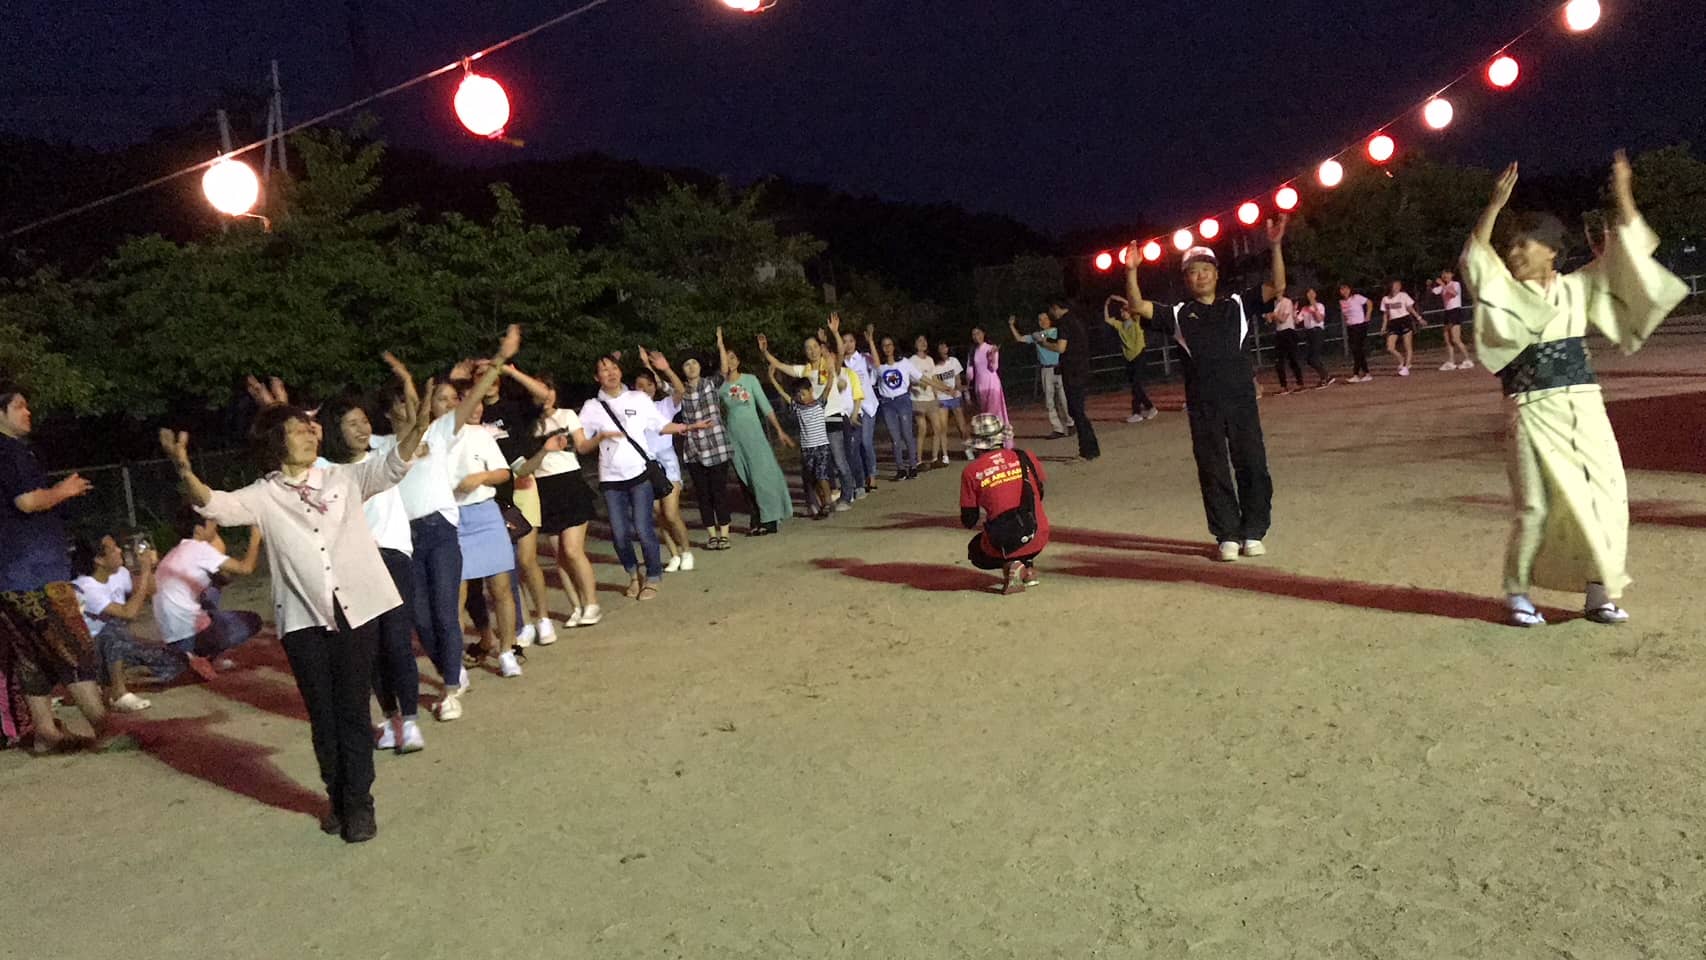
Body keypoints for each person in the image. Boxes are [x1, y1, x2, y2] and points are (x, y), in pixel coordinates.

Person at [159, 355, 436, 843]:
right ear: (276, 443)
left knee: (352, 711)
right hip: (303, 619)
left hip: (357, 610)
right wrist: (183, 467)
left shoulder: (342, 479)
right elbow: (215, 504)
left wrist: (419, 426)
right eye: (299, 430)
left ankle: (360, 805)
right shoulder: (264, 494)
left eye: (311, 429)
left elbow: (393, 465)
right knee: (322, 716)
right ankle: (336, 798)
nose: (311, 434)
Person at [1465, 153, 1687, 628]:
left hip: (1584, 408)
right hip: (1530, 409)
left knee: (1606, 498)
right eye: (1510, 246)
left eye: (1523, 244)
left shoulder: (1578, 287)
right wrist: (1494, 206)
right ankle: (1518, 593)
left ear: (1550, 250)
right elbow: (1476, 260)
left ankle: (1598, 594)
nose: (1513, 253)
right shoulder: (1506, 292)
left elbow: (1628, 254)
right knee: (1535, 505)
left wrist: (1623, 191)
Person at [1123, 217, 1288, 562]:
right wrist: (1131, 271)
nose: (1200, 276)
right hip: (1203, 405)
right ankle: (1227, 535)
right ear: (1186, 279)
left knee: (1253, 464)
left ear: (1216, 273)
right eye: (1193, 272)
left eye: (1205, 270)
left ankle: (1253, 531)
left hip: (1241, 401)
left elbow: (1277, 286)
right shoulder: (1179, 314)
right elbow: (1137, 306)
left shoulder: (1238, 304)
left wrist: (1274, 246)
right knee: (1213, 469)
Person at [393, 331, 518, 723]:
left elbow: (471, 398)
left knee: (451, 608)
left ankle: (455, 681)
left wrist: (500, 360)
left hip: (447, 528)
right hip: (406, 538)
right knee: (423, 618)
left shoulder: (441, 433)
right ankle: (452, 666)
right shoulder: (381, 446)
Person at [0, 385, 134, 752]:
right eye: (19, 406)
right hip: (33, 572)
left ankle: (46, 732)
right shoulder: (10, 451)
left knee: (33, 656)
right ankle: (103, 725)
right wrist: (64, 490)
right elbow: (27, 502)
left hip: (9, 574)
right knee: (72, 645)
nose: (28, 412)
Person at [318, 373, 427, 754]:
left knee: (397, 641)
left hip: (392, 556)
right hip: (352, 563)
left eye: (364, 420)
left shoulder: (384, 457)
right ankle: (391, 719)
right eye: (351, 423)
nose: (363, 428)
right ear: (335, 431)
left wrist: (411, 391)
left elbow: (409, 435)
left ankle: (410, 722)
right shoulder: (326, 471)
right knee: (371, 648)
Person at [578, 355, 711, 598]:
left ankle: (653, 576)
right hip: (611, 479)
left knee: (643, 528)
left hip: (640, 473)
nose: (611, 373)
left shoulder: (637, 399)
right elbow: (582, 446)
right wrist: (600, 437)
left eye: (614, 367)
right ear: (597, 377)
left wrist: (689, 427)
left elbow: (660, 425)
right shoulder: (591, 408)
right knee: (620, 535)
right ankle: (633, 575)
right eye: (604, 370)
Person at [500, 366, 604, 619]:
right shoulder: (528, 425)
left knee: (572, 549)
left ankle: (592, 603)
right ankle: (576, 606)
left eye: (549, 388)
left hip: (570, 483)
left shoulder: (567, 415)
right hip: (544, 488)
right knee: (560, 556)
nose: (545, 395)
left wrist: (600, 438)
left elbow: (582, 446)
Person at [153, 507, 264, 675]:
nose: (215, 526)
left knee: (212, 591)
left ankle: (187, 654)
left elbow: (222, 579)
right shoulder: (199, 549)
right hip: (192, 635)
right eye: (211, 522)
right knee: (252, 620)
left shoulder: (175, 552)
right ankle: (200, 655)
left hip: (172, 636)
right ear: (199, 529)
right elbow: (246, 568)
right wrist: (255, 538)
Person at [647, 352, 735, 552]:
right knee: (703, 495)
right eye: (687, 364)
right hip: (694, 449)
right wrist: (650, 365)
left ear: (700, 366)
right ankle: (712, 535)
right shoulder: (679, 390)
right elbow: (658, 383)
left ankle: (724, 534)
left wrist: (720, 344)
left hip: (717, 446)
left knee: (719, 492)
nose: (692, 367)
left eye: (694, 362)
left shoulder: (711, 383)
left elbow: (723, 370)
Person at [70, 535, 165, 712]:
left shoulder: (120, 573)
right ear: (99, 560)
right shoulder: (85, 586)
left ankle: (106, 682)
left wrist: (150, 567)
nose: (120, 551)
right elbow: (128, 613)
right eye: (113, 549)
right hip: (90, 647)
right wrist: (144, 572)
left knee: (173, 664)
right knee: (114, 627)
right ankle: (118, 693)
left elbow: (151, 590)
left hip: (118, 643)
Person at [714, 329, 795, 535]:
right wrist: (720, 345)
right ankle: (756, 519)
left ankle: (771, 519)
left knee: (763, 475)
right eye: (726, 358)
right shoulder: (720, 389)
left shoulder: (750, 380)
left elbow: (765, 406)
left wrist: (779, 430)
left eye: (733, 357)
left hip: (755, 436)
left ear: (738, 361)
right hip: (734, 438)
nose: (730, 362)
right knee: (745, 479)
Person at [959, 413, 1049, 595]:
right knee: (1023, 520)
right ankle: (1027, 568)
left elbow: (969, 519)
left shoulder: (971, 471)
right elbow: (1040, 493)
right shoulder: (1025, 456)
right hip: (1038, 534)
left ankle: (1012, 564)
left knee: (976, 550)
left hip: (1005, 541)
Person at [633, 362, 697, 572]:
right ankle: (674, 554)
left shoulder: (664, 406)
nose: (644, 389)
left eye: (648, 385)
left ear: (655, 386)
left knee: (670, 512)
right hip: (646, 465)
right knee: (659, 514)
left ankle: (686, 551)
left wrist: (664, 369)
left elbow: (681, 391)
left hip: (667, 462)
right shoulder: (630, 413)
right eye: (639, 386)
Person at [1034, 297, 1099, 461]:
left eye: (1051, 310)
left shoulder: (1064, 323)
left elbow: (1061, 347)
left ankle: (1087, 450)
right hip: (1082, 369)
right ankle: (1091, 448)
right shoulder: (1077, 320)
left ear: (1056, 307)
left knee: (1076, 411)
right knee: (1077, 410)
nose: (1051, 313)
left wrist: (1044, 343)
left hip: (1072, 372)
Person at [770, 369, 840, 518]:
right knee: (813, 478)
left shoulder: (819, 403)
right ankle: (822, 504)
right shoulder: (797, 407)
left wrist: (830, 372)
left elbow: (828, 387)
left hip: (821, 446)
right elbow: (783, 394)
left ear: (810, 390)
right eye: (798, 395)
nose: (801, 397)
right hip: (807, 448)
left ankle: (829, 501)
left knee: (821, 475)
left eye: (803, 393)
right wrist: (773, 379)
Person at [867, 326, 920, 481]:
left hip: (902, 400)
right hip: (887, 403)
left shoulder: (904, 362)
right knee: (894, 437)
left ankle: (913, 465)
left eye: (889, 345)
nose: (887, 348)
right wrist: (870, 341)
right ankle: (900, 468)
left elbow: (920, 377)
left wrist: (942, 387)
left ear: (894, 346)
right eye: (884, 346)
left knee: (907, 434)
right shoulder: (879, 366)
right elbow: (871, 379)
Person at [1009, 313, 1073, 438]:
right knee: (1049, 401)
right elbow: (1020, 339)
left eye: (1045, 319)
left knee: (1064, 399)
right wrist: (1012, 326)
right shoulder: (1036, 335)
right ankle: (1058, 428)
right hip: (1046, 369)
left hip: (1059, 367)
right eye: (1040, 319)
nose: (1042, 321)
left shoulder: (1057, 332)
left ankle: (1071, 423)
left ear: (1050, 320)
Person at [1104, 296, 1159, 423]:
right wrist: (1106, 305)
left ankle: (1137, 412)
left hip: (1139, 355)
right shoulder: (1120, 325)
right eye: (1121, 312)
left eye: (1124, 311)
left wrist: (1119, 299)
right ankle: (1150, 408)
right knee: (1135, 386)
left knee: (1136, 385)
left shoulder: (1136, 320)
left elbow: (1134, 306)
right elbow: (1107, 319)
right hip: (1129, 358)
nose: (1122, 313)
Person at [840, 331, 881, 493]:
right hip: (852, 409)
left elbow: (877, 364)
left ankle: (872, 474)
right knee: (855, 446)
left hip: (868, 406)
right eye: (844, 341)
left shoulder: (863, 358)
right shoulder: (841, 363)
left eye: (851, 341)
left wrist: (871, 341)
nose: (848, 344)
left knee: (866, 442)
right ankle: (861, 476)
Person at [933, 341, 972, 462]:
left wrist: (961, 391)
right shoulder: (934, 366)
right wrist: (937, 398)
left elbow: (958, 379)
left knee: (961, 425)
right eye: (941, 347)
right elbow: (934, 384)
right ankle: (945, 455)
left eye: (945, 347)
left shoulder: (953, 361)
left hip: (955, 396)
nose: (944, 349)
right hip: (942, 398)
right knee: (943, 427)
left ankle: (968, 449)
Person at [1379, 279, 1427, 377]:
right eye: (1395, 285)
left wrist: (1419, 318)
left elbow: (1410, 308)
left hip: (1404, 320)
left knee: (1407, 346)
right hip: (1393, 323)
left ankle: (1406, 367)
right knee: (1390, 347)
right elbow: (1385, 314)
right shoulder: (1385, 299)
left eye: (1398, 286)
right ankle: (1401, 360)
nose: (1397, 287)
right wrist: (1383, 326)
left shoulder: (1403, 295)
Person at [1430, 269, 1475, 370]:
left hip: (1455, 311)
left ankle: (1468, 360)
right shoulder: (1442, 286)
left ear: (1452, 275)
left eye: (1447, 274)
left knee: (1456, 339)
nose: (1445, 276)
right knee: (1447, 338)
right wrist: (1429, 285)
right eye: (1443, 274)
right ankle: (1451, 361)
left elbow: (1454, 293)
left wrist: (1442, 284)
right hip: (1447, 312)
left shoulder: (1455, 284)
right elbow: (1434, 292)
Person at [1264, 290, 1306, 393]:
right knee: (1278, 361)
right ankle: (1283, 386)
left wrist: (1274, 315)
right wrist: (1268, 316)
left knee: (1293, 359)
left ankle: (1300, 383)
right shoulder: (1274, 303)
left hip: (1289, 332)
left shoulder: (1287, 302)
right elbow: (1269, 320)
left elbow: (1283, 319)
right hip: (1279, 333)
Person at [1295, 289, 1337, 389]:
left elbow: (1319, 319)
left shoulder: (1319, 306)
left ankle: (1326, 377)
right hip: (1309, 333)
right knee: (1310, 359)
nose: (1310, 295)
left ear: (1315, 295)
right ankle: (1325, 377)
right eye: (1308, 293)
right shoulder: (1305, 308)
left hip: (1317, 331)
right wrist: (1294, 311)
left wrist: (1314, 307)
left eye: (1312, 293)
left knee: (1314, 357)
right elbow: (1297, 321)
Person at [1338, 284, 1375, 383]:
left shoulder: (1356, 297)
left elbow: (1369, 302)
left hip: (1360, 325)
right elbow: (1345, 314)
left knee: (1357, 349)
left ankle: (1356, 374)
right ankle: (1366, 373)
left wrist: (1368, 315)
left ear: (1350, 289)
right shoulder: (1342, 302)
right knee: (1357, 351)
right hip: (1351, 327)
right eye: (1342, 290)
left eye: (1346, 289)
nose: (1344, 291)